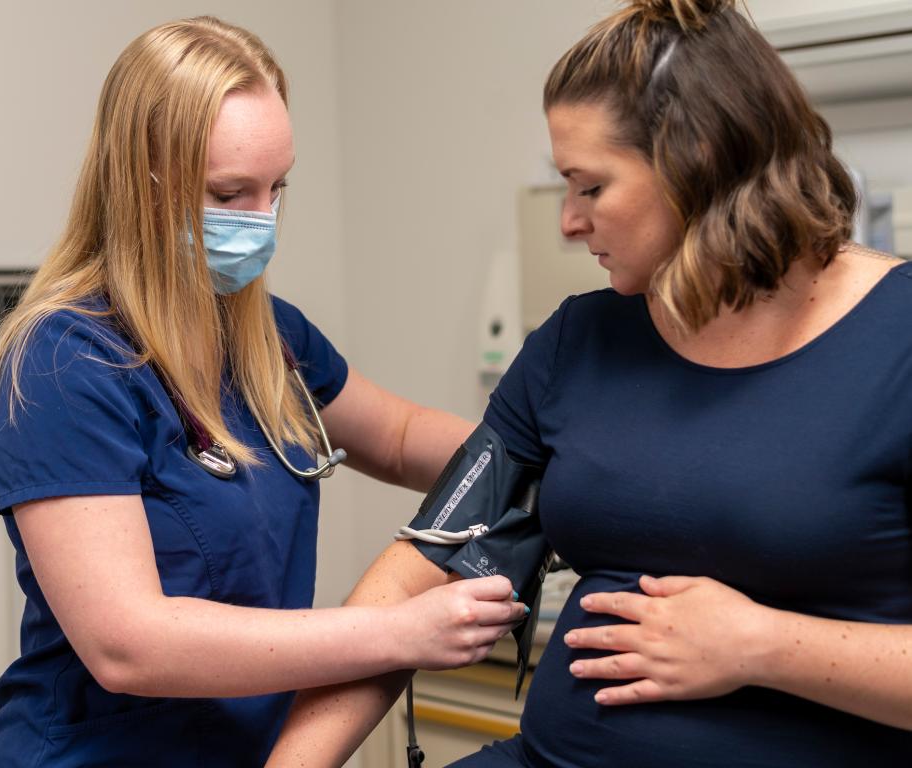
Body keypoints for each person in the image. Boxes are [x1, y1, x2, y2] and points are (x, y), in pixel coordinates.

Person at [267, 1, 912, 765]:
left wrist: (764, 645)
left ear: (696, 157)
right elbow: (425, 564)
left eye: (590, 186)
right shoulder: (581, 340)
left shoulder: (894, 340)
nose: (568, 222)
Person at [0, 16, 526, 768]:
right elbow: (128, 645)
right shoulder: (61, 365)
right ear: (141, 186)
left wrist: (546, 459)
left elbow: (397, 439)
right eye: (230, 193)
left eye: (277, 188)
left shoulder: (268, 336)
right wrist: (399, 631)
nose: (262, 222)